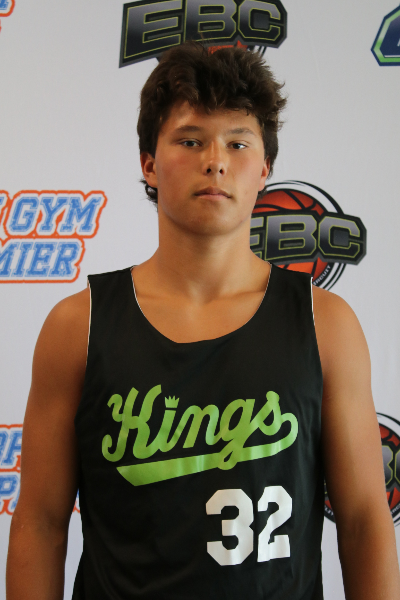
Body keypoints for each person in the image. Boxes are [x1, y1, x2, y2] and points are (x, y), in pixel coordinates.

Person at [6, 41, 400, 600]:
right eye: (190, 140)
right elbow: (41, 521)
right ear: (149, 163)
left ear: (264, 169)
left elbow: (362, 521)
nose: (215, 160)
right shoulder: (78, 326)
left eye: (237, 143)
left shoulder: (325, 324)